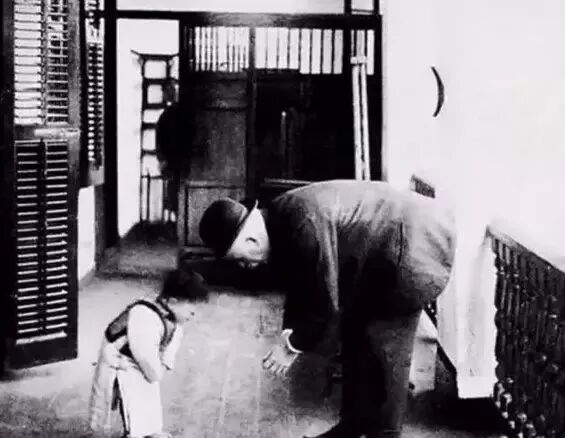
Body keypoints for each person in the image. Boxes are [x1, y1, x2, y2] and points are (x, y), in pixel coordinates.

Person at [198, 179, 456, 438]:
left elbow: (323, 304)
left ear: (252, 240)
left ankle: (384, 434)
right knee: (354, 334)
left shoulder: (301, 223)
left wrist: (292, 346)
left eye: (242, 260)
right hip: (391, 244)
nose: (246, 266)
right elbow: (301, 286)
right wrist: (290, 333)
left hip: (414, 245)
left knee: (385, 352)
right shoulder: (281, 217)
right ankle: (352, 427)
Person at [88, 269, 209, 438]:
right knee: (133, 400)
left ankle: (151, 430)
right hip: (119, 361)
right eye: (191, 307)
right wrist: (156, 372)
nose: (194, 313)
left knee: (150, 394)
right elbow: (145, 357)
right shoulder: (145, 316)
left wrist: (162, 366)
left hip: (142, 360)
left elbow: (170, 348)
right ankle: (133, 433)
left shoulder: (173, 316)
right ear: (172, 301)